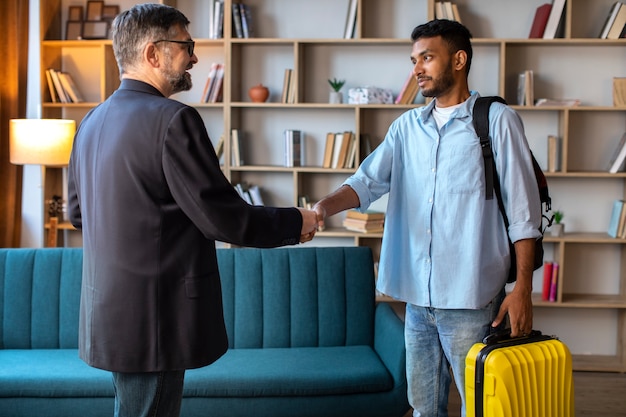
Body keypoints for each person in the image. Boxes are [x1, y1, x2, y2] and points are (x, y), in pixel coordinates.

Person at [67, 4, 318, 417]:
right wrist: (298, 220)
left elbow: (79, 214)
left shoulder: (90, 122)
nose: (195, 57)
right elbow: (223, 218)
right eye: (186, 45)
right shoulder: (174, 119)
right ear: (153, 53)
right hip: (156, 319)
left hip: (110, 316)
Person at [313, 19, 541, 417]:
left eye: (427, 57)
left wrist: (523, 290)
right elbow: (366, 182)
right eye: (414, 59)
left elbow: (524, 214)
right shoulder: (406, 128)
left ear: (458, 59)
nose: (417, 68)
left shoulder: (497, 121)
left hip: (472, 300)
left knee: (482, 408)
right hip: (417, 302)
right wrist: (321, 209)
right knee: (422, 409)